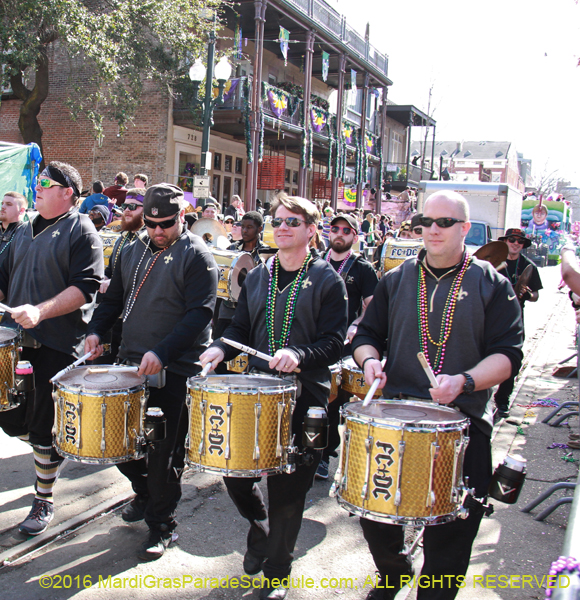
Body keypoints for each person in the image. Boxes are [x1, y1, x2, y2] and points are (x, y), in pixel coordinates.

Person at [352, 191, 523, 600]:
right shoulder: (395, 278)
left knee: (452, 536)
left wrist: (463, 381)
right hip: (397, 417)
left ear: (465, 228)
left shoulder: (492, 284)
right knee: (376, 519)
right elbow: (367, 335)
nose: (431, 229)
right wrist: (369, 360)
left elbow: (507, 355)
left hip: (462, 421)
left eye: (444, 222)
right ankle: (393, 572)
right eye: (424, 222)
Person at [198, 193, 347, 600]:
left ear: (312, 231)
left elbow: (335, 344)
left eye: (292, 222)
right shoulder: (259, 275)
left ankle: (278, 571)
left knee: (288, 489)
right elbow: (240, 329)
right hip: (258, 393)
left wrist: (299, 354)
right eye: (277, 221)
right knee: (234, 472)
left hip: (305, 396)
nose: (282, 227)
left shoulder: (328, 280)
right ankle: (259, 527)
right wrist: (219, 348)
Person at [0, 161, 103, 535]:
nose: (37, 187)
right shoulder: (24, 229)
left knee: (41, 424)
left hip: (57, 343)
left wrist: (40, 311)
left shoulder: (81, 230)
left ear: (67, 192)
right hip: (14, 337)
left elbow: (85, 288)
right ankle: (51, 448)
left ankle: (43, 497)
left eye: (46, 183)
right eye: (36, 182)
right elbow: (1, 278)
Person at [85, 183, 218, 560]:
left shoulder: (197, 255)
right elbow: (112, 299)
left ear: (182, 218)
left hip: (174, 370)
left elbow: (199, 316)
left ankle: (162, 525)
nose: (158, 231)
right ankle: (146, 492)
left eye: (167, 224)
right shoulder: (131, 248)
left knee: (163, 452)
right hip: (130, 361)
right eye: (152, 224)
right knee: (116, 442)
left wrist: (163, 352)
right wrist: (96, 331)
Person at [316, 213, 378, 480]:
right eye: (335, 228)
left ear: (355, 235)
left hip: (342, 347)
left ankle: (325, 454)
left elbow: (373, 307)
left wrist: (357, 325)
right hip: (312, 341)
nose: (339, 233)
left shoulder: (362, 269)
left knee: (332, 401)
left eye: (345, 230)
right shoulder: (317, 262)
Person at [493, 228, 542, 420]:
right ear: (505, 241)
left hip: (515, 318)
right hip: (492, 316)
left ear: (523, 245)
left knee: (512, 360)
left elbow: (537, 295)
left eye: (519, 241)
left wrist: (528, 294)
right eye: (512, 240)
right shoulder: (493, 263)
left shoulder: (529, 266)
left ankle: (502, 400)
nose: (515, 243)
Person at [97, 188, 145, 363]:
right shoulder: (122, 238)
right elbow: (111, 271)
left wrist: (115, 283)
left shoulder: (149, 242)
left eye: (133, 206)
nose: (126, 210)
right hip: (114, 316)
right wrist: (104, 279)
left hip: (137, 322)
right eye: (125, 205)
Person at [213, 210, 270, 343]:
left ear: (259, 229)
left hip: (252, 312)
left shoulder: (266, 253)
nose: (244, 230)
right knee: (219, 349)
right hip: (228, 310)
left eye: (249, 227)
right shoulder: (232, 249)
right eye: (243, 227)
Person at [0, 192, 27, 257]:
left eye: (8, 204)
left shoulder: (25, 235)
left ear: (21, 210)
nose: (2, 207)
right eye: (2, 203)